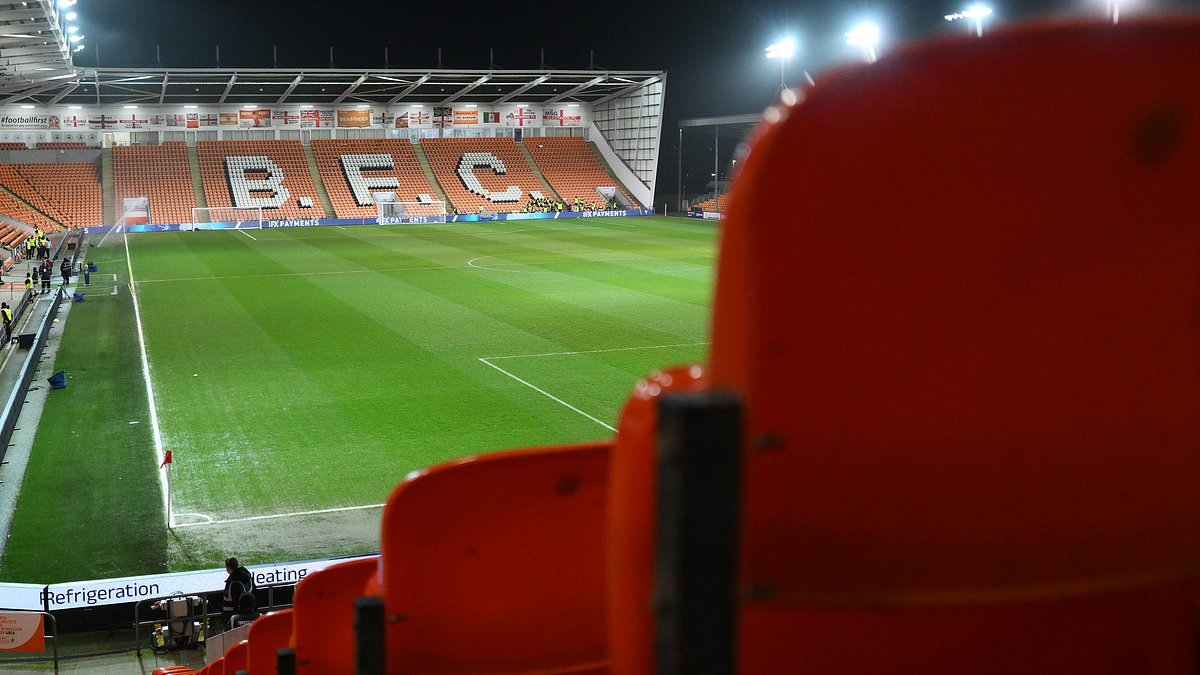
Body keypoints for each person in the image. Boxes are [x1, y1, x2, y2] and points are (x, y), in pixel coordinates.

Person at [220, 557, 255, 631]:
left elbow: (236, 602)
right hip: (249, 612)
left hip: (233, 615)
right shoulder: (247, 577)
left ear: (228, 568)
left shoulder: (234, 582)